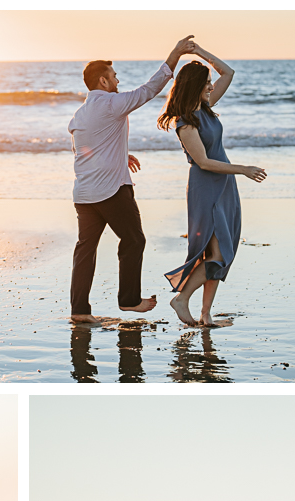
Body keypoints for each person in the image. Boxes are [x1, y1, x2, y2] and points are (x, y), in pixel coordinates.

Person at [68, 36, 196, 324]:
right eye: (113, 76)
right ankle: (128, 300)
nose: (117, 80)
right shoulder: (111, 103)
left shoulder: (80, 114)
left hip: (84, 194)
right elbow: (149, 90)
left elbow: (85, 148)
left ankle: (79, 310)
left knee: (85, 250)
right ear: (102, 82)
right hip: (111, 191)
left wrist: (120, 155)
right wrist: (174, 54)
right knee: (134, 239)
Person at [158, 46, 268, 326]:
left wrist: (200, 52)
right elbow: (204, 162)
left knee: (220, 252)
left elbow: (228, 72)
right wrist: (243, 169)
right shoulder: (186, 123)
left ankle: (206, 314)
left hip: (225, 185)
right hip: (206, 189)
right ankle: (181, 299)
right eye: (206, 82)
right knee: (218, 254)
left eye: (209, 82)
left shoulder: (205, 107)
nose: (211, 85)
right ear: (195, 86)